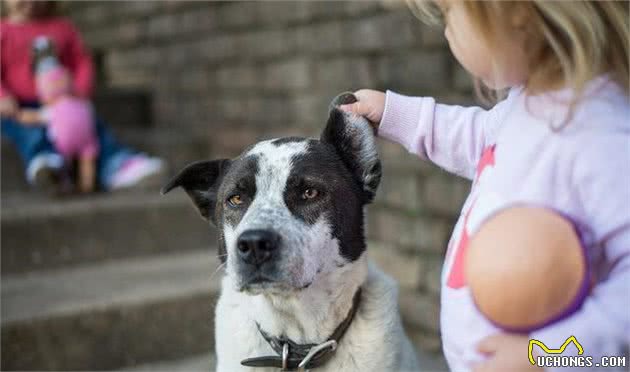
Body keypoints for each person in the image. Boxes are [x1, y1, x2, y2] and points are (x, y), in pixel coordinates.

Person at [340, 1, 629, 371]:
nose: (446, 32)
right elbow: (477, 139)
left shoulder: (600, 133)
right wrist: (395, 115)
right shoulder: (524, 105)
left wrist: (544, 354)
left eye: (448, 14)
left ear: (518, 12)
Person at [1, 0, 165, 192]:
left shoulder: (62, 28)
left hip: (66, 103)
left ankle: (115, 164)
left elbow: (81, 61)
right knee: (28, 131)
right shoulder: (3, 32)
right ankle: (47, 164)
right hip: (21, 106)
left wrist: (80, 90)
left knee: (92, 126)